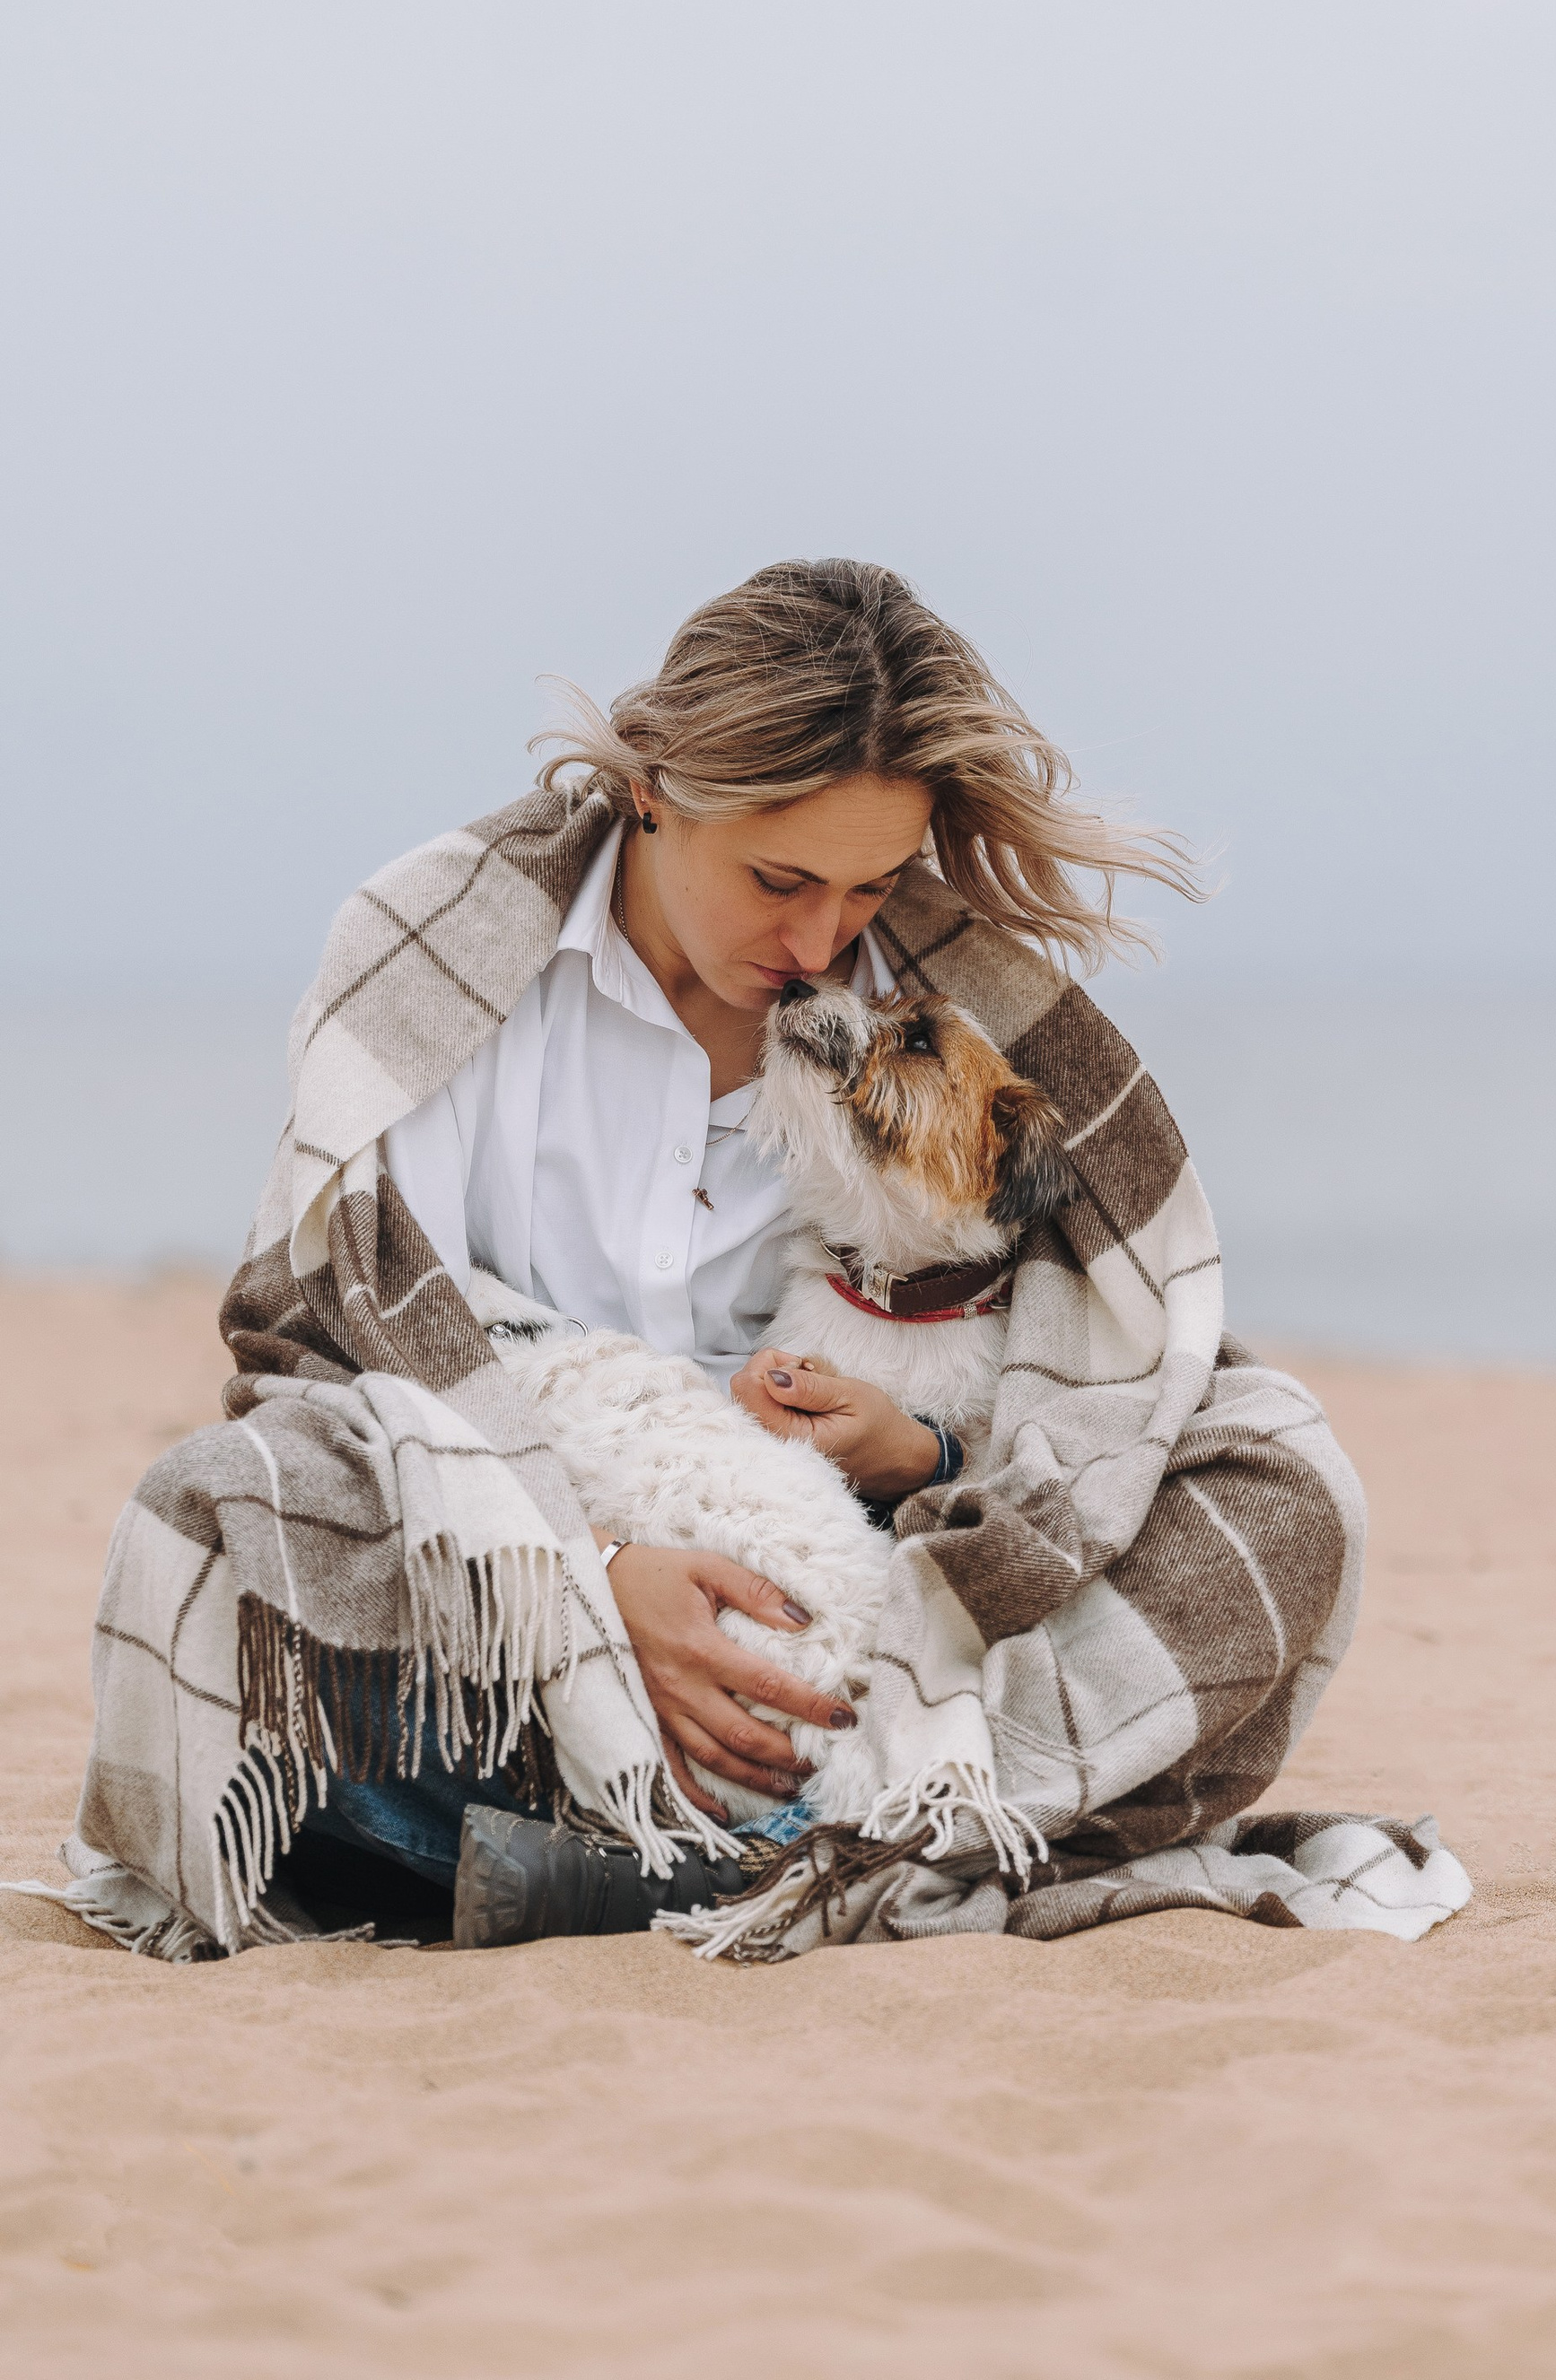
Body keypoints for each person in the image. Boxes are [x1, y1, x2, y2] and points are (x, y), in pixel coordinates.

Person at [64, 560, 1464, 1963]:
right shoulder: (446, 960)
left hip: (861, 1622)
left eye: (867, 887)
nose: (817, 942)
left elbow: (1097, 1366)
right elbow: (332, 1343)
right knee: (227, 1513)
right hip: (510, 1582)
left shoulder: (943, 1003)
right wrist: (593, 1579)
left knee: (1287, 1479)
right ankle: (819, 1864)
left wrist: (924, 1459)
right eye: (778, 877)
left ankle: (665, 1860)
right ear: (659, 782)